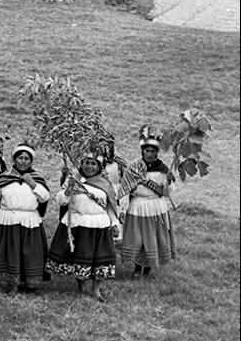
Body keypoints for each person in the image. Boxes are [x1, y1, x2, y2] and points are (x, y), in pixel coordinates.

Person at [47, 152, 117, 301]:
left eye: (93, 164)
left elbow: (111, 206)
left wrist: (114, 223)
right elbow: (61, 201)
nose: (89, 167)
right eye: (87, 163)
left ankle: (96, 290)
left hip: (98, 224)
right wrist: (68, 189)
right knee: (79, 256)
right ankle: (81, 283)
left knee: (99, 258)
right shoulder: (73, 179)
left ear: (99, 166)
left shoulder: (105, 183)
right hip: (78, 222)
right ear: (81, 164)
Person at [0, 143, 51, 294]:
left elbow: (45, 197)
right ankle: (11, 284)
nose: (23, 161)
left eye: (27, 158)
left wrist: (32, 184)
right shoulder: (4, 178)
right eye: (20, 158)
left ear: (31, 160)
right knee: (10, 252)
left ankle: (30, 284)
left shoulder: (36, 179)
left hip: (30, 220)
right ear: (14, 159)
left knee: (30, 252)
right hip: (8, 220)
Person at [117, 128, 176, 276]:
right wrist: (123, 209)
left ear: (157, 152)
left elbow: (167, 193)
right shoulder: (133, 168)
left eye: (152, 151)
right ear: (142, 151)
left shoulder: (163, 169)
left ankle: (148, 266)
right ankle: (137, 267)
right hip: (137, 206)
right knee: (138, 237)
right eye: (147, 151)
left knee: (153, 236)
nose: (149, 154)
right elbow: (125, 189)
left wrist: (168, 182)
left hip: (155, 206)